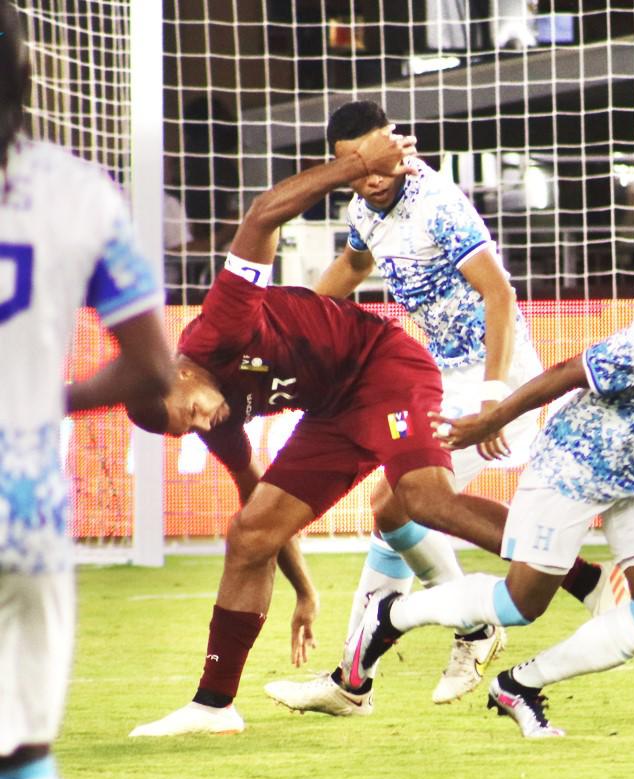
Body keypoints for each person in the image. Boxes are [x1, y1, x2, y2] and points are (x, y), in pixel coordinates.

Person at [123, 127, 516, 737]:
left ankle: (566, 582)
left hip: (420, 369)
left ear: (180, 372)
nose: (204, 423)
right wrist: (305, 592)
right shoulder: (212, 413)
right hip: (345, 402)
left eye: (192, 412)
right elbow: (259, 501)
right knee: (257, 532)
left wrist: (495, 395)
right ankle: (219, 705)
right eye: (189, 430)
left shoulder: (220, 326)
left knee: (415, 501)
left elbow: (261, 216)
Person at [338, 250, 634, 738]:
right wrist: (493, 418)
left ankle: (520, 686)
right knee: (521, 605)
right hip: (574, 460)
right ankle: (391, 613)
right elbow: (568, 371)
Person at [263, 101, 626, 717]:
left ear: (399, 149)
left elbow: (500, 293)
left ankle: (580, 584)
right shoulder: (362, 211)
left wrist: (493, 400)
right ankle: (364, 674)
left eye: (384, 158)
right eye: (360, 165)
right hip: (439, 377)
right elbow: (354, 262)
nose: (376, 176)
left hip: (494, 376)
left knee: (408, 502)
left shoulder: (437, 203)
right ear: (343, 165)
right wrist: (285, 320)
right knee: (391, 509)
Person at [0, 5, 174, 779]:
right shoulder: (80, 189)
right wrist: (40, 402)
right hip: (22, 497)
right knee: (22, 763)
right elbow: (155, 370)